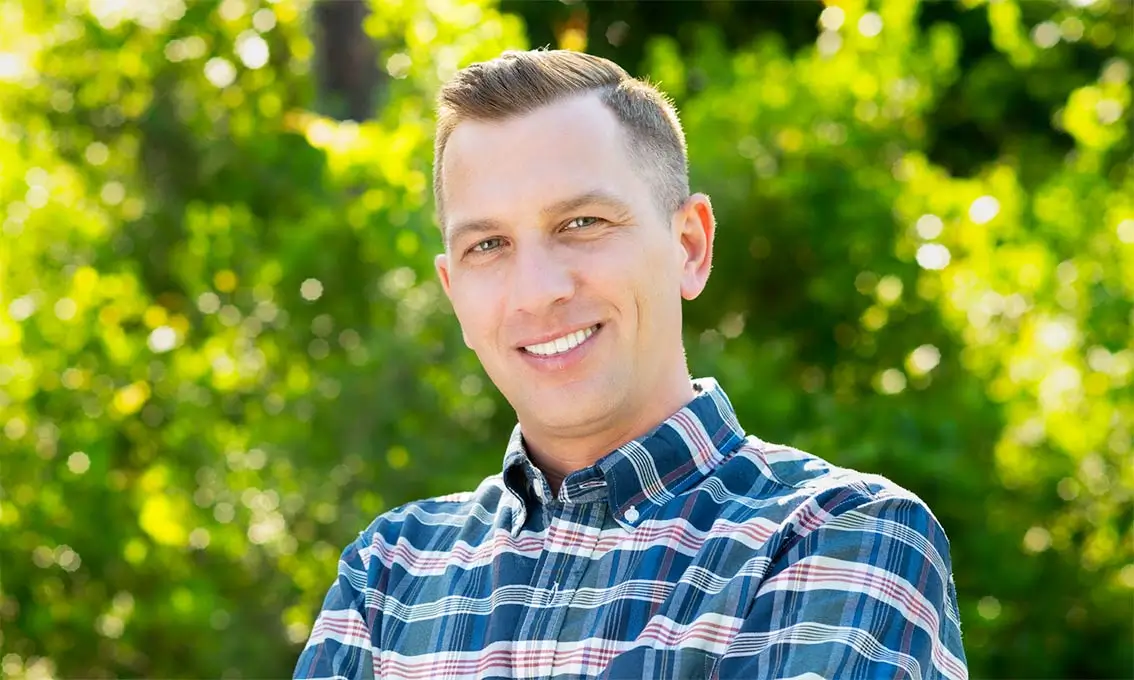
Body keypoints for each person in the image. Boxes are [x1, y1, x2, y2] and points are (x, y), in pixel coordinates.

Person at [294, 48, 968, 680]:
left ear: (690, 245)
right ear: (454, 293)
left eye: (581, 224)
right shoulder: (387, 575)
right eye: (489, 244)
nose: (537, 289)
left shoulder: (840, 535)